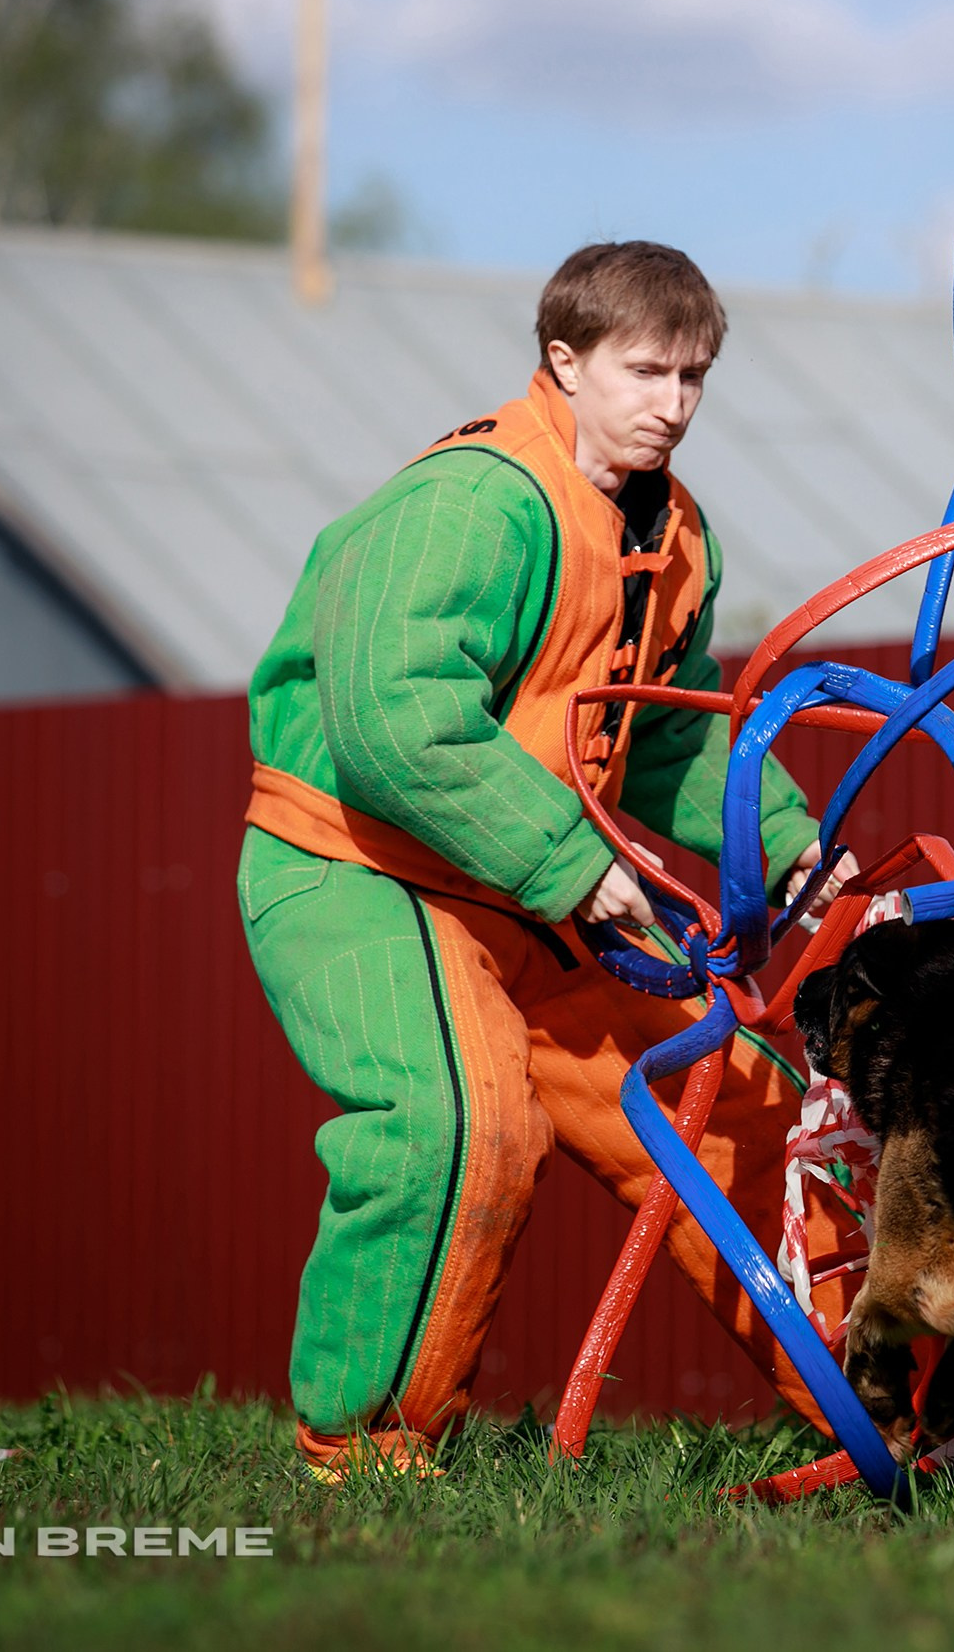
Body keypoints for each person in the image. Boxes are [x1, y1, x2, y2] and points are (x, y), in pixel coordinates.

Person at [237, 241, 855, 1477]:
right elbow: (391, 719)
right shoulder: (467, 506)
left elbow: (666, 722)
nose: (672, 404)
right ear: (562, 363)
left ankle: (900, 1413)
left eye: (694, 377)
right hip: (364, 873)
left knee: (741, 1111)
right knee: (460, 1127)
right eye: (644, 371)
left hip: (536, 892)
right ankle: (366, 1455)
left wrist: (786, 849)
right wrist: (570, 867)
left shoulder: (675, 533)